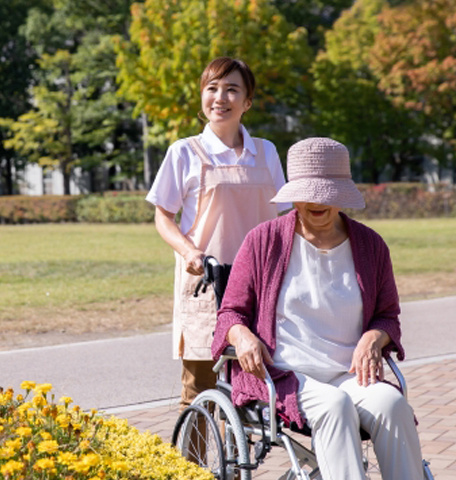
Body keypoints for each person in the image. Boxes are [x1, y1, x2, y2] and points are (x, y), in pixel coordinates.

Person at [211, 137, 424, 479]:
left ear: (342, 193)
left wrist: (374, 338)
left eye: (326, 191)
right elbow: (230, 313)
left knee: (393, 405)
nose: (315, 201)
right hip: (287, 375)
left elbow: (387, 315)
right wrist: (243, 336)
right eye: (307, 191)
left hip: (352, 375)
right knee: (334, 406)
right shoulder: (263, 242)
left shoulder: (371, 246)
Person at [146, 57, 289, 410]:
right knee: (199, 390)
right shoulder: (184, 152)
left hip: (259, 283)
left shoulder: (266, 152)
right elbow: (163, 216)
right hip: (207, 282)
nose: (220, 97)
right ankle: (189, 466)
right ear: (202, 97)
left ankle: (239, 465)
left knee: (254, 386)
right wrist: (188, 251)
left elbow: (285, 216)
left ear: (247, 102)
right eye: (211, 88)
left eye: (231, 89)